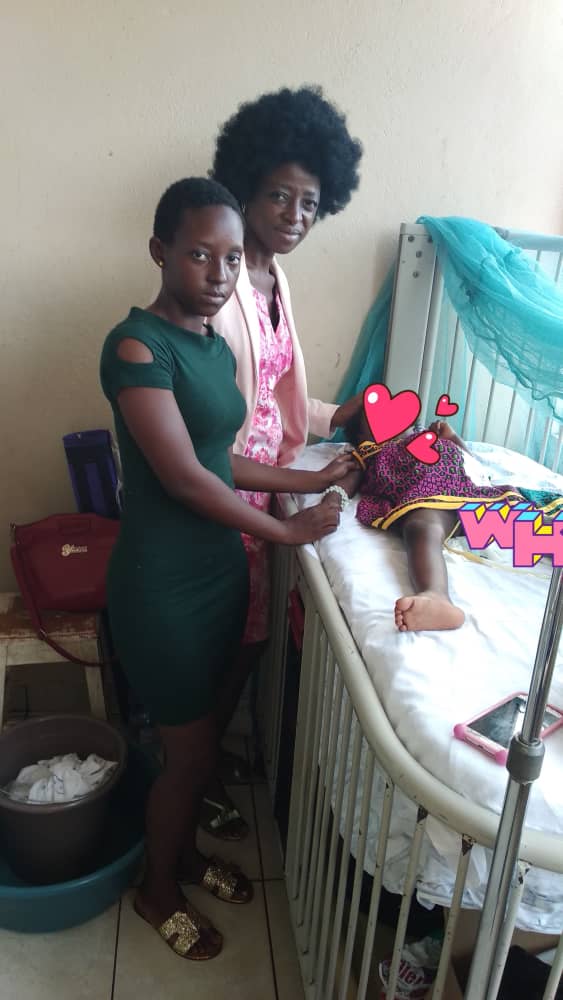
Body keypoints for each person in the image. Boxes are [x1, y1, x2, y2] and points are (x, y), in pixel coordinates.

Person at [99, 177, 354, 961]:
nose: (217, 274)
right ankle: (157, 890)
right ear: (160, 252)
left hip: (218, 573)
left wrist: (310, 476)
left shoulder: (212, 346)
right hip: (162, 587)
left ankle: (182, 856)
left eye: (231, 259)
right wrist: (285, 533)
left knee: (203, 740)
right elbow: (185, 478)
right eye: (199, 255)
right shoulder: (136, 347)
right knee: (187, 755)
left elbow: (221, 458)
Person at [207, 86, 365, 837]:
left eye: (310, 203)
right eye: (279, 196)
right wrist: (307, 479)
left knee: (250, 637)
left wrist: (341, 417)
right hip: (222, 492)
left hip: (261, 487)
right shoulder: (218, 281)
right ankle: (192, 770)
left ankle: (204, 754)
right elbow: (209, 423)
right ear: (244, 185)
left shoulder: (274, 277)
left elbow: (273, 390)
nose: (295, 216)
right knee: (223, 644)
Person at [325, 413, 523, 632]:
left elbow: (474, 466)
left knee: (524, 520)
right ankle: (435, 595)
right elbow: (346, 482)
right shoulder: (369, 453)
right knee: (421, 527)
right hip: (427, 499)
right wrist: (331, 501)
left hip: (471, 493)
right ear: (363, 438)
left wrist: (453, 438)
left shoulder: (430, 437)